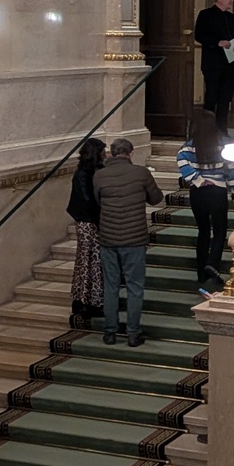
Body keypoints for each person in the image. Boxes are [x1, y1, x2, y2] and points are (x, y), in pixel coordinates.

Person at [92, 136, 162, 345]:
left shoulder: (99, 176)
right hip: (134, 238)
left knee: (111, 286)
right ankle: (133, 333)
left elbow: (97, 201)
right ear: (131, 154)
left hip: (108, 238)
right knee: (134, 286)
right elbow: (156, 198)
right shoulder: (141, 173)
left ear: (112, 154)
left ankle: (110, 332)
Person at [177, 116, 234, 291]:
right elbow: (231, 170)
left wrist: (198, 180)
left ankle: (201, 272)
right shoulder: (222, 146)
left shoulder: (188, 146)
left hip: (198, 193)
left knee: (203, 230)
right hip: (218, 192)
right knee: (220, 230)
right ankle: (213, 264)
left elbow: (182, 163)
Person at [194, 0, 234, 135]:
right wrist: (217, 43)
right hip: (213, 63)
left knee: (225, 98)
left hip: (230, 64)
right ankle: (207, 131)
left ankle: (222, 129)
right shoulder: (206, 14)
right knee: (211, 96)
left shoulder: (231, 18)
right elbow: (199, 35)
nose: (231, 0)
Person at [67, 136, 105, 326]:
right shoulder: (83, 175)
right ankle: (86, 300)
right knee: (89, 261)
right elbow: (88, 200)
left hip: (89, 221)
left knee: (90, 261)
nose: (104, 157)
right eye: (102, 153)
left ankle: (88, 299)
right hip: (87, 222)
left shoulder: (89, 172)